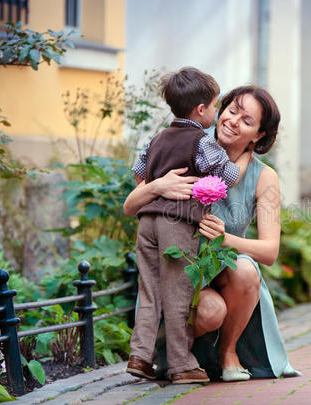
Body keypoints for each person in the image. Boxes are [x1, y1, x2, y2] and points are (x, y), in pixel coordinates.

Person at [124, 85, 300, 382]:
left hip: (225, 272)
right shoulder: (189, 148)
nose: (233, 121)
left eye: (247, 121)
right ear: (218, 110)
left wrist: (226, 239)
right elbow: (130, 205)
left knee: (245, 268)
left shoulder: (264, 177)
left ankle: (228, 352)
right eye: (231, 111)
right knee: (210, 311)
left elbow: (269, 252)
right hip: (181, 273)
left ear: (258, 135)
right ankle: (173, 355)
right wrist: (157, 186)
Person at [126, 67, 251, 385]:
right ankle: (182, 364)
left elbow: (139, 173)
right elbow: (230, 176)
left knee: (150, 291)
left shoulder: (158, 138)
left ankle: (140, 356)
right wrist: (245, 157)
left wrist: (159, 186)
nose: (216, 112)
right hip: (176, 225)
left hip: (147, 222)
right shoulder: (201, 141)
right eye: (214, 106)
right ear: (200, 110)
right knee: (178, 293)